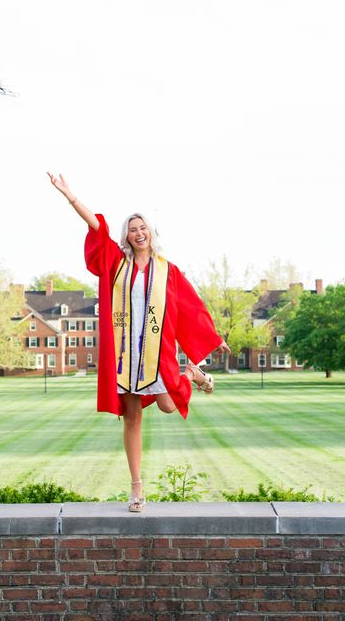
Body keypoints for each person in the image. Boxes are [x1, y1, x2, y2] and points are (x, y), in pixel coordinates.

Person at [47, 172, 230, 512]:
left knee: (168, 405)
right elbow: (96, 228)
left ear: (150, 232)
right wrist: (70, 197)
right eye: (132, 229)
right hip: (124, 357)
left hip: (156, 354)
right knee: (132, 420)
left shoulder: (167, 271)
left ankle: (191, 374)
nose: (139, 233)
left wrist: (213, 339)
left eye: (143, 227)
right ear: (127, 237)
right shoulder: (117, 264)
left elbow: (190, 306)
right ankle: (136, 489)